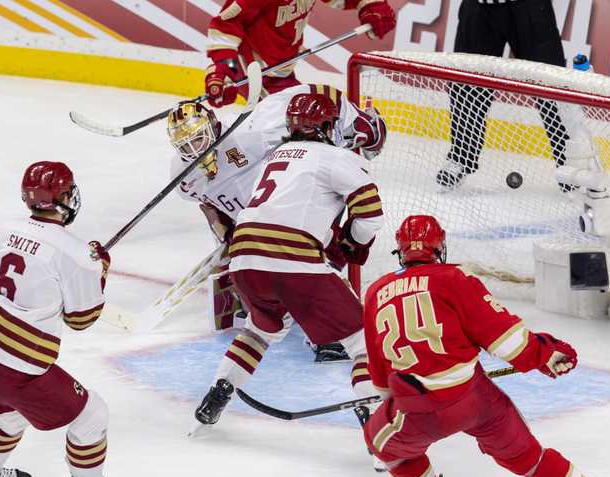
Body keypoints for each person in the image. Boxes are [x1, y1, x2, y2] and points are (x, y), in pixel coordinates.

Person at [361, 215, 610, 477]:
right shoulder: (455, 278)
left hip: (419, 409)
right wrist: (546, 353)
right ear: (439, 248)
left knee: (381, 445)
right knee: (526, 456)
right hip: (475, 398)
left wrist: (391, 404)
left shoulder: (376, 292)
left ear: (400, 250)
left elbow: (380, 376)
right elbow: (506, 340)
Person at [167, 85, 386, 416]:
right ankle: (372, 413)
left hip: (244, 253)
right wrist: (352, 245)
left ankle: (219, 392)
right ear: (328, 128)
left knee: (261, 329)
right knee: (363, 340)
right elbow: (370, 213)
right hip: (293, 253)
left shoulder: (274, 156)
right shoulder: (337, 156)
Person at [0, 161, 137, 477]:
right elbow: (82, 320)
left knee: (11, 410)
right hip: (19, 368)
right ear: (64, 197)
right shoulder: (77, 254)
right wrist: (99, 273)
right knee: (92, 412)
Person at [437, 0, 570, 189]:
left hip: (529, 9)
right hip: (479, 8)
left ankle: (572, 165)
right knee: (467, 83)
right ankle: (461, 158)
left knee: (552, 85)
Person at [205, 0, 397, 108]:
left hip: (281, 70)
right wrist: (225, 69)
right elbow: (225, 25)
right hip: (253, 72)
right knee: (300, 120)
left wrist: (370, 4)